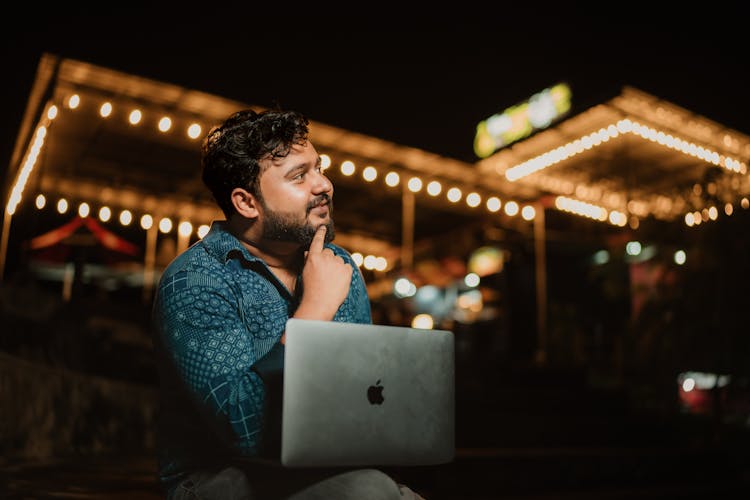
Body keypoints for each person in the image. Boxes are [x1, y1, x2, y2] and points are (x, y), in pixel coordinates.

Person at [151, 108, 425, 499]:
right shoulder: (194, 282)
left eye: (319, 168)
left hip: (323, 467)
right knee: (370, 492)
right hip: (214, 479)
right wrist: (314, 311)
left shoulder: (339, 265)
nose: (324, 184)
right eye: (299, 176)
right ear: (247, 203)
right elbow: (245, 431)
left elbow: (363, 398)